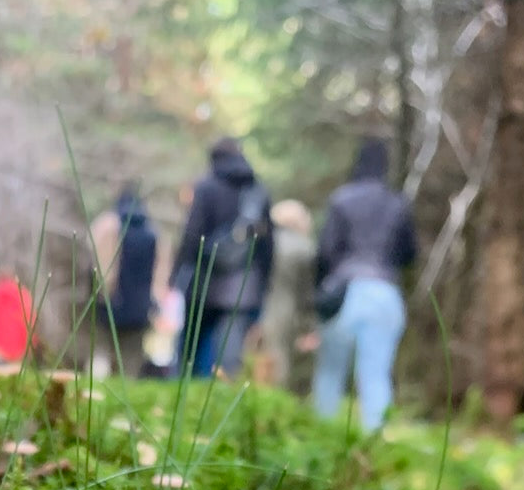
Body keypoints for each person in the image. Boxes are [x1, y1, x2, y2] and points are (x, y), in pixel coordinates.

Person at [311, 138, 417, 431]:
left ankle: (320, 436)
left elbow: (325, 251)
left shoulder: (341, 199)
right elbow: (410, 253)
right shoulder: (397, 203)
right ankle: (375, 443)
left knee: (331, 372)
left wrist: (320, 295)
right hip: (385, 291)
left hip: (344, 291)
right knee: (376, 373)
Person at [167, 137, 274, 378]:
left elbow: (192, 235)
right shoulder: (257, 191)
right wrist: (263, 286)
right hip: (242, 287)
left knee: (190, 351)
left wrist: (175, 276)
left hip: (203, 281)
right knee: (227, 356)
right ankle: (217, 395)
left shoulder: (206, 187)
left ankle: (186, 397)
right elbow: (267, 246)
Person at [89, 187, 158, 377]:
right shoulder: (150, 232)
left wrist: (102, 291)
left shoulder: (109, 226)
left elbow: (96, 260)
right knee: (131, 357)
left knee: (102, 349)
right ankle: (129, 391)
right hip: (139, 306)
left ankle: (98, 388)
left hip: (111, 301)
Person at [250, 199, 316, 387]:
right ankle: (271, 405)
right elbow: (307, 292)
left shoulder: (261, 240)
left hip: (252, 306)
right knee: (277, 362)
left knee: (250, 360)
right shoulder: (304, 248)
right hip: (284, 310)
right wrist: (308, 326)